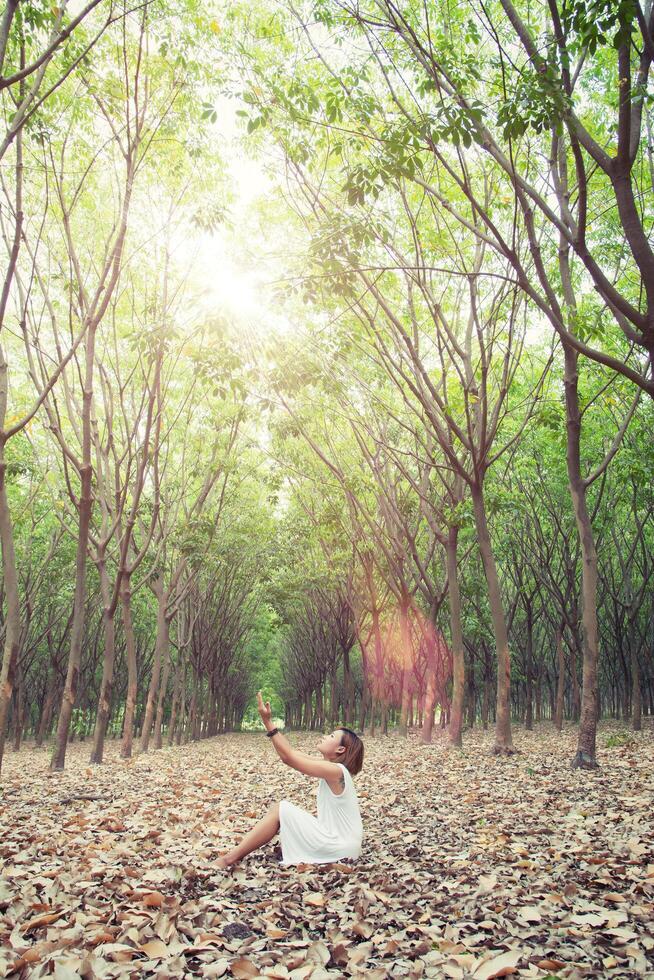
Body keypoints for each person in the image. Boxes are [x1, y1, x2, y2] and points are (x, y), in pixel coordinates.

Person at [216, 691, 364, 869]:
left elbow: (288, 758)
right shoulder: (331, 769)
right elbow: (291, 753)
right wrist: (267, 723)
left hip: (341, 847)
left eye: (331, 736)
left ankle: (228, 859)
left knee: (281, 809)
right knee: (281, 809)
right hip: (342, 845)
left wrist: (268, 722)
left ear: (340, 750)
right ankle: (231, 857)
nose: (325, 736)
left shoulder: (336, 771)